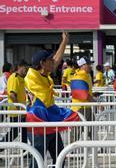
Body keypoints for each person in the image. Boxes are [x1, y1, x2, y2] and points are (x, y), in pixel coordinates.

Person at [25, 31, 79, 168]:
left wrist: (64, 42)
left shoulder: (44, 75)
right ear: (42, 63)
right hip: (38, 123)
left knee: (60, 157)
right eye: (50, 60)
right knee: (37, 160)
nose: (54, 62)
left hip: (49, 121)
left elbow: (56, 60)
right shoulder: (31, 78)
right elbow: (44, 102)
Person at [0, 60, 28, 146]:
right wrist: (19, 107)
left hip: (21, 111)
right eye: (25, 68)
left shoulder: (21, 78)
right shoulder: (14, 77)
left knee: (24, 131)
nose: (26, 70)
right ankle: (1, 146)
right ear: (20, 66)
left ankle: (25, 150)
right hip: (16, 111)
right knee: (14, 132)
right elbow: (12, 94)